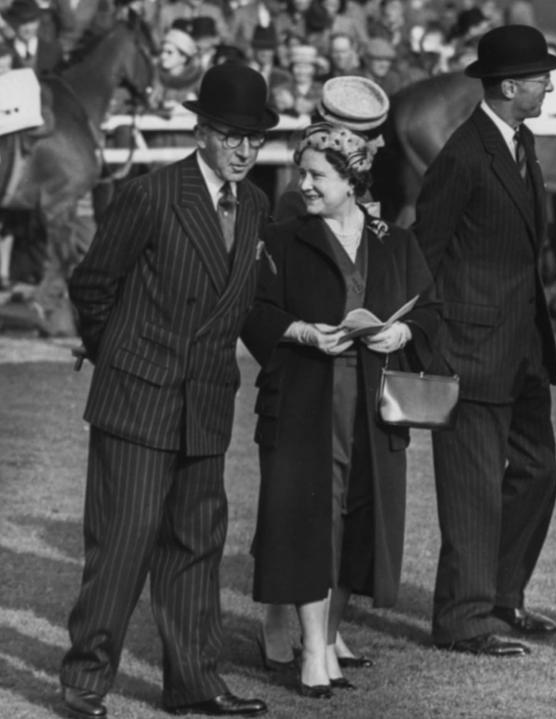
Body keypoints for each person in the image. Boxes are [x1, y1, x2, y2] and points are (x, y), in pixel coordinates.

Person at [60, 62, 279, 719]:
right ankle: (85, 680)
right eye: (232, 136)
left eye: (254, 138)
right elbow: (92, 285)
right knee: (122, 543)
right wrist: (122, 356)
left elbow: (241, 302)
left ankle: (195, 683)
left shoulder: (259, 205)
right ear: (202, 132)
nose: (244, 149)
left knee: (196, 547)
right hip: (138, 398)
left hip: (207, 401)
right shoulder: (153, 194)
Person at [241, 110, 441, 697]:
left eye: (317, 176)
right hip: (305, 402)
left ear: (351, 181)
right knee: (308, 522)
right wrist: (301, 331)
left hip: (374, 409)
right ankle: (309, 657)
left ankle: (327, 641)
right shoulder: (281, 240)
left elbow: (431, 310)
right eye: (302, 172)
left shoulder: (396, 244)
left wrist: (400, 335)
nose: (302, 185)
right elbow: (254, 311)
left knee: (358, 525)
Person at [413, 24, 556, 657]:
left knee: (539, 472)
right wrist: (436, 345)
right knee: (472, 492)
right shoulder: (464, 155)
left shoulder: (520, 143)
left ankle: (501, 595)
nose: (548, 85)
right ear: (508, 87)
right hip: (471, 354)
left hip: (523, 348)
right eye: (539, 78)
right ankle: (463, 620)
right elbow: (425, 253)